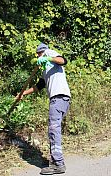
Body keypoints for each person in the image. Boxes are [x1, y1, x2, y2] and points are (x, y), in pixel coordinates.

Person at [17, 43, 71, 175]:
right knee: (54, 129)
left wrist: (47, 57)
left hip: (58, 98)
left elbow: (63, 60)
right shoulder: (46, 70)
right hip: (61, 99)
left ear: (41, 53)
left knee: (54, 130)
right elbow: (39, 86)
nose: (38, 57)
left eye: (38, 55)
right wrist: (23, 93)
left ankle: (58, 164)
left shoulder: (49, 53)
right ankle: (55, 161)